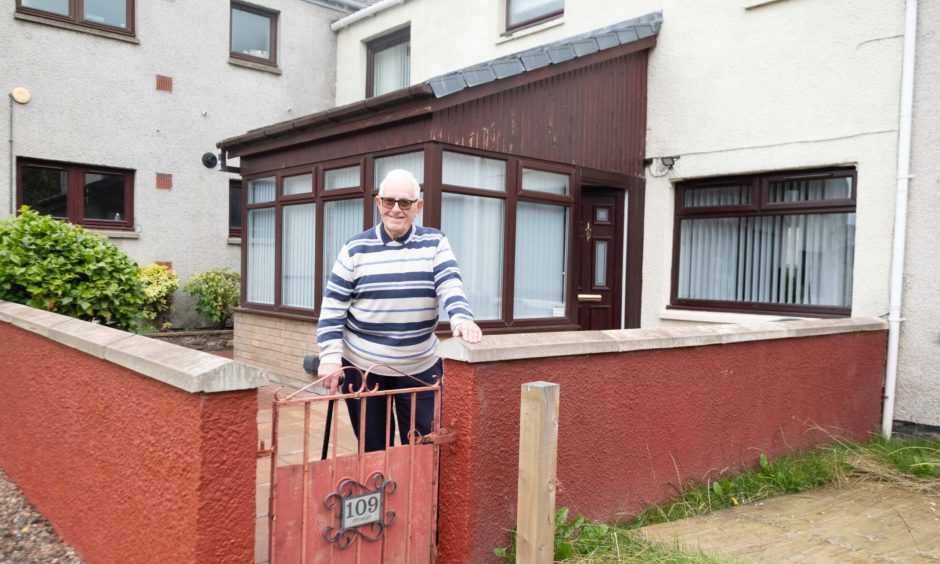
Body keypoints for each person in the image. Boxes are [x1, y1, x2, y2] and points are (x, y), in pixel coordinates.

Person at [316, 168, 482, 451]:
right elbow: (333, 308)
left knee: (422, 449)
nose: (396, 209)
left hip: (419, 367)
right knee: (373, 451)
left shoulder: (435, 243)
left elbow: (450, 285)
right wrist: (330, 357)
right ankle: (382, 495)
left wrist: (462, 318)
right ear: (378, 202)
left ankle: (414, 497)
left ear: (418, 207)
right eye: (389, 201)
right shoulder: (355, 249)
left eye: (405, 203)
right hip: (363, 367)